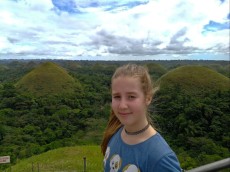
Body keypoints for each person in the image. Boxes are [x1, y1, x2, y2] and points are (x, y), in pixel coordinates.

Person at [101, 63, 182, 172]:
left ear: (148, 98)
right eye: (117, 97)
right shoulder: (116, 132)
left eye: (131, 97)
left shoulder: (160, 157)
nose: (122, 105)